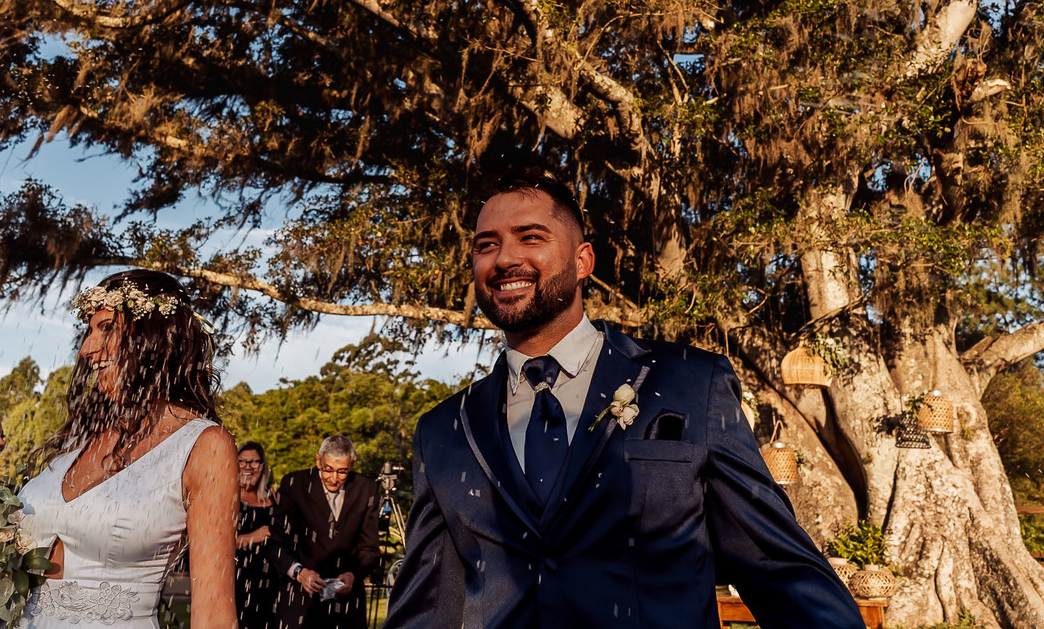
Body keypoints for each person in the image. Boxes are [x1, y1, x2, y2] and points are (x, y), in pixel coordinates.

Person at [382, 169, 865, 629]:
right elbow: (427, 608)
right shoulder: (443, 430)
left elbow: (776, 564)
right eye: (487, 245)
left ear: (583, 261)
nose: (505, 258)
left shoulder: (691, 383)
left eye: (530, 237)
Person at [16, 268, 238, 629]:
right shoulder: (78, 439)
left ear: (157, 338)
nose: (87, 349)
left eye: (106, 328)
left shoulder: (204, 447)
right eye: (89, 331)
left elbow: (214, 616)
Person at [270, 435, 379, 629]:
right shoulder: (294, 484)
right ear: (318, 460)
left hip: (347, 608)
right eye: (327, 469)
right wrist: (300, 573)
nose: (334, 478)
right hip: (300, 604)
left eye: (342, 471)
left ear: (352, 464)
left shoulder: (366, 488)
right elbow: (275, 544)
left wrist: (354, 575)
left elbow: (370, 549)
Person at [235, 441, 279, 629]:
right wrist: (254, 536)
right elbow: (216, 543)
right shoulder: (229, 495)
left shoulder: (273, 495)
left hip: (273, 580)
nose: (248, 467)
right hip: (239, 580)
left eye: (254, 462)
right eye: (242, 461)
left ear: (262, 466)